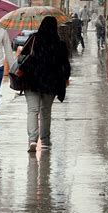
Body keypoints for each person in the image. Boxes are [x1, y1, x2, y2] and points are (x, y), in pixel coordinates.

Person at [19, 16, 71, 152]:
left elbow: (22, 57)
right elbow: (65, 65)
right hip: (50, 83)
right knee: (45, 112)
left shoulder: (33, 39)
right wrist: (65, 78)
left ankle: (32, 140)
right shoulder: (60, 44)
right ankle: (45, 140)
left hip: (31, 80)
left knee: (33, 110)